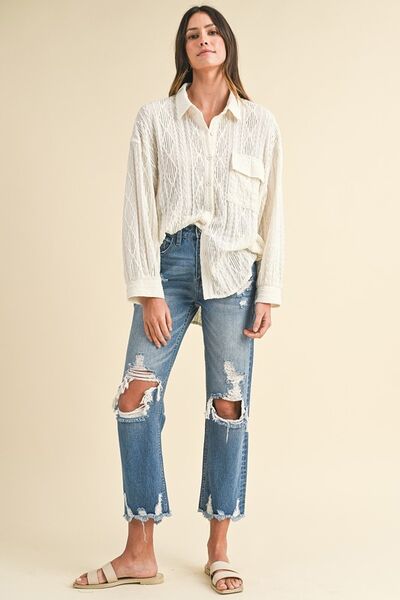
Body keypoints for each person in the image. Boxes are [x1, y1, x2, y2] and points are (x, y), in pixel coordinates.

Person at [73, 4, 284, 595]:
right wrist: (147, 290)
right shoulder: (155, 119)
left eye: (212, 31)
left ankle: (219, 548)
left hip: (235, 272)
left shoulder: (260, 123)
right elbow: (138, 206)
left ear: (227, 42)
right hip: (169, 265)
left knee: (229, 405)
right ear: (183, 49)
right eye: (193, 34)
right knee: (134, 398)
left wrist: (268, 291)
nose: (203, 40)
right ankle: (139, 549)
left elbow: (275, 210)